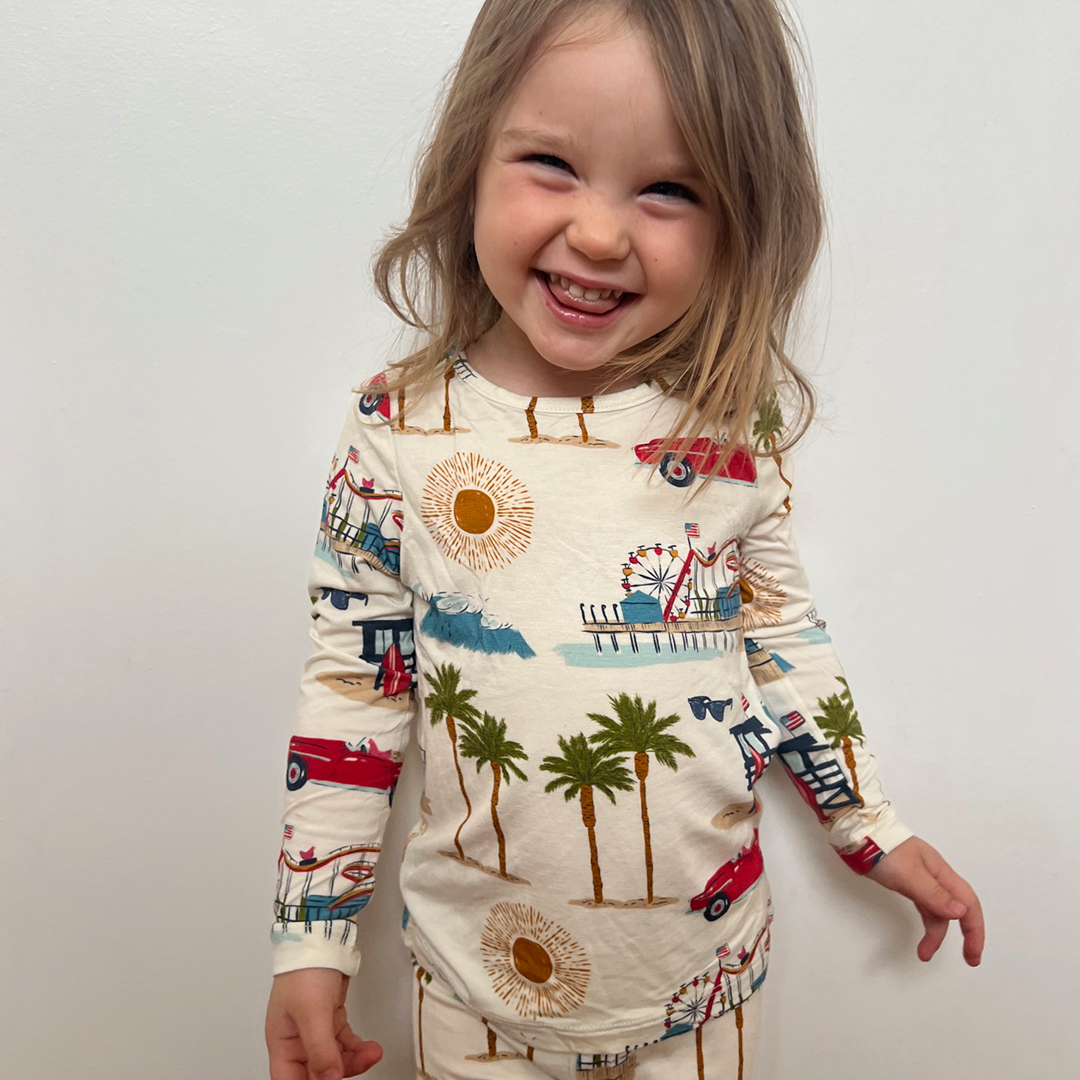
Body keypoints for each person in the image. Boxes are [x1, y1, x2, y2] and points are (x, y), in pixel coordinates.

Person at [264, 2, 985, 1078]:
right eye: (552, 164)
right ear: (470, 163)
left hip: (701, 992)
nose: (600, 235)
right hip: (471, 993)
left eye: (668, 189)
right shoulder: (394, 432)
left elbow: (783, 645)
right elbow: (351, 704)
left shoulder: (728, 435)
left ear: (737, 219)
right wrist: (311, 941)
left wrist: (869, 827)